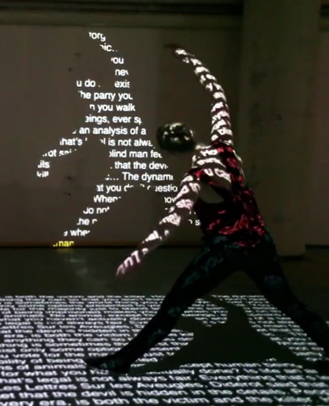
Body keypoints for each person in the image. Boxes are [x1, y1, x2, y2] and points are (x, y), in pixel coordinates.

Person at [85, 44, 329, 374]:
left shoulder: (194, 179)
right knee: (289, 304)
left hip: (224, 251)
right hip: (259, 243)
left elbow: (171, 221)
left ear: (171, 153)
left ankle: (120, 361)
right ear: (190, 133)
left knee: (173, 306)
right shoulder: (225, 145)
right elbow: (218, 96)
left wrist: (139, 253)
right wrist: (191, 60)